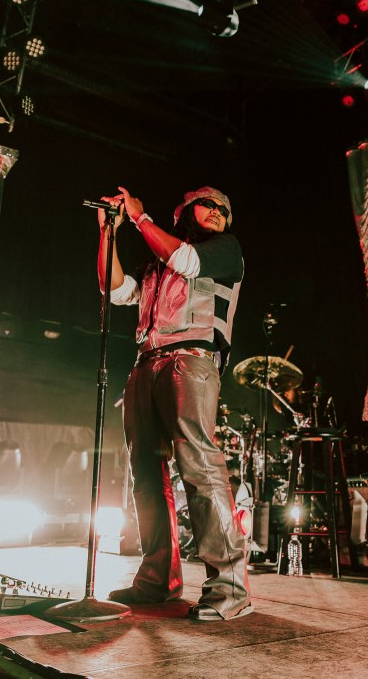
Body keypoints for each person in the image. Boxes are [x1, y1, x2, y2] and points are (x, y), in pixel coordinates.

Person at [97, 185, 252, 621]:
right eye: (209, 203)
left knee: (199, 467)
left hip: (191, 359)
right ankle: (157, 579)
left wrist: (140, 219)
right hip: (146, 363)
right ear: (183, 209)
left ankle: (230, 586)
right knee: (145, 474)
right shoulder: (155, 264)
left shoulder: (224, 250)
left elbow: (187, 260)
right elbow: (113, 289)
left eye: (225, 207)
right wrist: (109, 232)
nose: (220, 211)